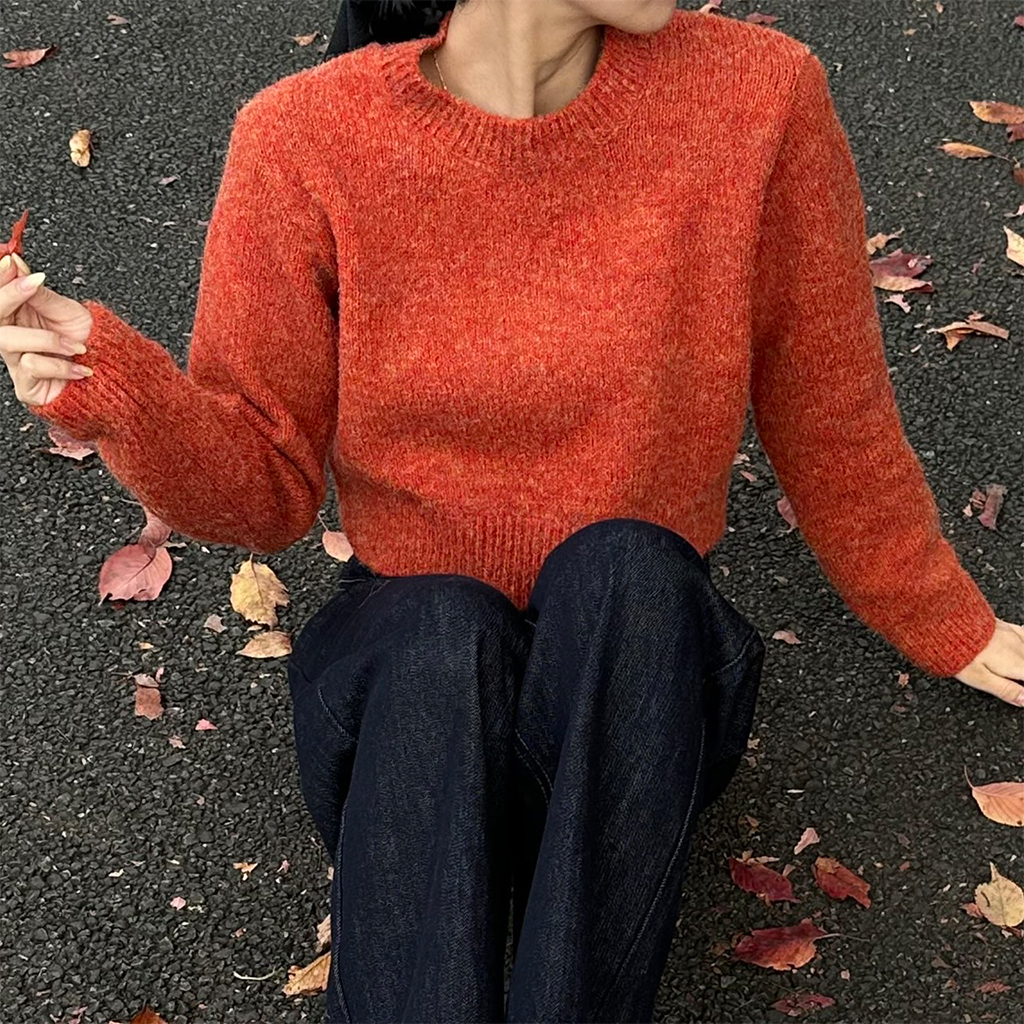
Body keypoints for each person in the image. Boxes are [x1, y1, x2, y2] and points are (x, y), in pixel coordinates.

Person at [2, 0, 1022, 1020]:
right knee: (441, 625)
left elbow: (831, 405)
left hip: (636, 696)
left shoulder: (758, 96)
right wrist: (105, 380)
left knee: (630, 570)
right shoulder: (305, 137)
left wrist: (947, 622)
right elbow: (263, 491)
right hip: (413, 713)